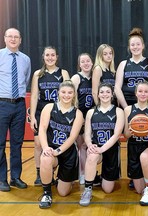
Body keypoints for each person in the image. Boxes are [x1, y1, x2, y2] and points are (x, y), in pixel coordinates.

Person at [114, 27, 148, 188]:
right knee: (133, 138)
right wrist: (129, 108)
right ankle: (136, 174)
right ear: (129, 47)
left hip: (146, 104)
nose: (135, 47)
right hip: (129, 104)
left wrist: (144, 106)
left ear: (143, 46)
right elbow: (117, 88)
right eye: (132, 45)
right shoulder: (123, 64)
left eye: (138, 44)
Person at [38, 80, 84, 208]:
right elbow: (42, 128)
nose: (66, 95)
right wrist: (46, 147)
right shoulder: (49, 108)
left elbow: (73, 137)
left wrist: (58, 151)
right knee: (46, 159)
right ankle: (46, 193)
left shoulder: (78, 114)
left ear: (74, 94)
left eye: (70, 93)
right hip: (51, 148)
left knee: (63, 193)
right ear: (58, 93)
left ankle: (62, 180)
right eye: (63, 92)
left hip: (68, 153)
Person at [79, 83, 124, 206]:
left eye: (108, 92)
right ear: (98, 94)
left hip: (111, 148)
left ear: (112, 94)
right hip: (96, 146)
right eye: (102, 92)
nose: (105, 94)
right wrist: (90, 145)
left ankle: (99, 177)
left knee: (108, 190)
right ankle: (88, 189)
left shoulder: (118, 111)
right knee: (92, 156)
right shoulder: (91, 112)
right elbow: (87, 134)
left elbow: (116, 135)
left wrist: (102, 149)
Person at [30, 46, 70, 186]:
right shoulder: (37, 74)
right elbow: (34, 96)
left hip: (57, 112)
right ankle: (39, 172)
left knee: (55, 142)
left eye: (53, 55)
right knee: (38, 143)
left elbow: (69, 92)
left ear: (57, 57)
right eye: (47, 55)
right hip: (41, 111)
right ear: (43, 57)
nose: (50, 57)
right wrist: (33, 116)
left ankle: (54, 171)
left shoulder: (63, 73)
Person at [0, 28, 31, 192]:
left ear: (20, 40)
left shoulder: (26, 59)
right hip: (1, 104)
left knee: (17, 144)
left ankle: (16, 177)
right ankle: (1, 179)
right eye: (10, 36)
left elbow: (25, 80)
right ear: (5, 39)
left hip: (19, 104)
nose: (13, 39)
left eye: (16, 37)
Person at [124, 81, 148, 206]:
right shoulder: (128, 109)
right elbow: (126, 135)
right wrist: (133, 129)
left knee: (144, 157)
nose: (143, 94)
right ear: (135, 93)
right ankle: (147, 184)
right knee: (139, 190)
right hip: (133, 147)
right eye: (140, 91)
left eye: (146, 91)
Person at [71, 53, 94, 185]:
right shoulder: (76, 77)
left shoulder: (95, 78)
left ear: (92, 62)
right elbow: (72, 98)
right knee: (81, 146)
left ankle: (89, 172)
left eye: (88, 61)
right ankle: (82, 173)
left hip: (91, 117)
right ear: (79, 64)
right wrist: (78, 117)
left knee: (86, 145)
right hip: (81, 116)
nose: (86, 63)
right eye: (83, 61)